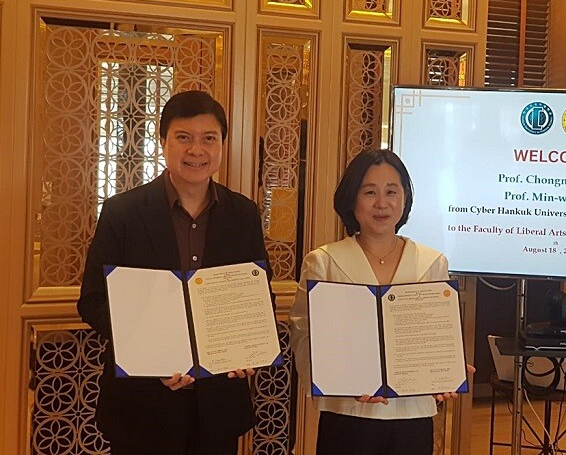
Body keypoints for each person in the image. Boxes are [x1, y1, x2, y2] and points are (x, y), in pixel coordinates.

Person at [78, 90, 272, 455]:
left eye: (208, 139)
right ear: (163, 141)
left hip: (217, 403)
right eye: (184, 137)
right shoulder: (122, 213)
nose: (196, 150)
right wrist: (153, 354)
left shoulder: (243, 215)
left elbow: (258, 297)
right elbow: (92, 302)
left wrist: (248, 347)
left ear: (222, 145)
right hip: (142, 402)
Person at [289, 148, 475, 455]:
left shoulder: (431, 263)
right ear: (352, 199)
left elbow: (436, 336)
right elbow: (303, 337)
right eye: (369, 192)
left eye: (392, 192)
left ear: (405, 199)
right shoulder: (324, 261)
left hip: (412, 415)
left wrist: (446, 366)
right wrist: (342, 380)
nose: (381, 203)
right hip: (348, 413)